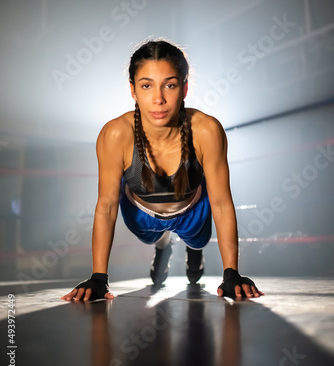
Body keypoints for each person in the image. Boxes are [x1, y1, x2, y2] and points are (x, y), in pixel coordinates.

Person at [61, 40, 263, 302]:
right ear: (133, 90)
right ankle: (163, 244)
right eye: (147, 85)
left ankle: (193, 248)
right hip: (142, 214)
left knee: (198, 241)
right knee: (152, 237)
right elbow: (107, 206)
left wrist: (231, 273)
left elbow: (222, 203)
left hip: (192, 210)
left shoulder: (206, 130)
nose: (158, 99)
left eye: (169, 85)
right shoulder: (115, 134)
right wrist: (99, 277)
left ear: (185, 88)